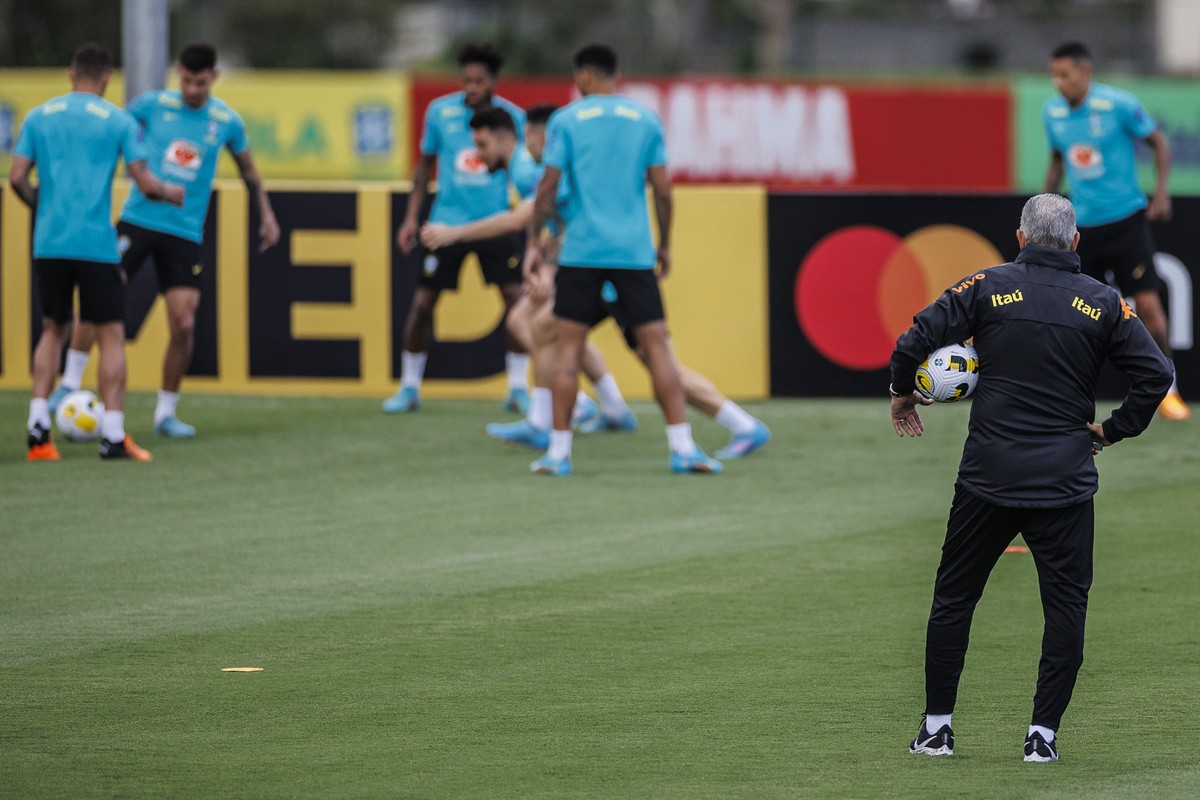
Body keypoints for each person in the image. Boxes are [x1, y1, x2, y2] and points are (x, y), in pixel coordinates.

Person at [891, 194, 1172, 762]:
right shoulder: (1104, 302)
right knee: (1065, 609)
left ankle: (936, 731)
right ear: (1075, 243)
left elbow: (915, 337)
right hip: (1065, 482)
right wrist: (1112, 430)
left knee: (953, 600)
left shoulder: (988, 286)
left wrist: (903, 392)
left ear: (1020, 239)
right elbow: (1157, 374)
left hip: (987, 478)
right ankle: (1041, 739)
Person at [419, 105, 769, 458]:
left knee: (656, 363)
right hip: (599, 270)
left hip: (608, 274)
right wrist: (545, 260)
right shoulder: (539, 168)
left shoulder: (529, 171)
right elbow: (559, 224)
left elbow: (527, 219)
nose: (476, 156)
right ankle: (575, 412)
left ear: (536, 137)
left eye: (481, 145)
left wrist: (454, 234)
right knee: (540, 326)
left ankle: (739, 425)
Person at [48, 43, 280, 438]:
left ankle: (166, 413)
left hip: (185, 232)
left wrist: (267, 214)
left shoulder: (226, 120)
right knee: (100, 296)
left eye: (200, 82)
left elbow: (249, 170)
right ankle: (69, 383)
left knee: (184, 322)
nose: (192, 89)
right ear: (178, 74)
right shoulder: (151, 105)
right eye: (187, 80)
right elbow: (110, 131)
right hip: (138, 220)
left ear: (214, 78)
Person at [527, 44, 722, 476]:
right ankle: (683, 448)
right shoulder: (647, 119)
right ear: (618, 74)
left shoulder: (566, 120)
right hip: (633, 253)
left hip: (581, 252)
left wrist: (532, 245)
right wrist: (665, 244)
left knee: (568, 352)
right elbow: (664, 190)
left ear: (582, 76)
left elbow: (546, 189)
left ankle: (559, 454)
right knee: (658, 351)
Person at [10, 42, 184, 461]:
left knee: (53, 328)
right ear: (106, 78)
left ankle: (38, 434)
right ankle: (112, 436)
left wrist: (44, 208)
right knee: (109, 335)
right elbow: (144, 182)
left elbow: (16, 177)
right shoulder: (118, 120)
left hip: (49, 241)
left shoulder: (39, 115)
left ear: (71, 74)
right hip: (95, 244)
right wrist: (170, 191)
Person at [1043, 41, 1188, 421]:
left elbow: (1158, 141)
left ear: (1085, 73)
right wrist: (1044, 203)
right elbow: (1058, 158)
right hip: (1082, 228)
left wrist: (1161, 193)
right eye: (1054, 76)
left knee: (1149, 305)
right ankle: (1068, 396)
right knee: (1076, 312)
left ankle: (1168, 390)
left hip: (1126, 220)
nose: (1058, 83)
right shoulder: (1052, 112)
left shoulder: (1119, 104)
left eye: (1065, 75)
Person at [385, 43, 530, 415]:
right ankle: (409, 386)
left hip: (495, 223)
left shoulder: (512, 118)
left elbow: (525, 172)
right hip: (445, 223)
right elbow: (424, 166)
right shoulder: (440, 112)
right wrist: (411, 218)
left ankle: (517, 387)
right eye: (466, 80)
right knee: (423, 304)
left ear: (493, 81)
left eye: (479, 81)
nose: (471, 87)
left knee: (518, 302)